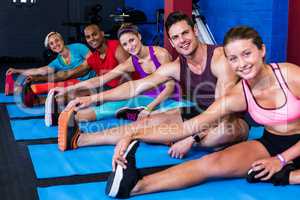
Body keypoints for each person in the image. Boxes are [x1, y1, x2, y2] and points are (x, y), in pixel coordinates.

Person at [106, 25, 300, 198]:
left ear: (262, 50)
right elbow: (190, 127)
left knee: (278, 170)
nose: (241, 64)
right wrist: (132, 134)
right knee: (210, 163)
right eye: (233, 59)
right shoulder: (238, 94)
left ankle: (290, 175)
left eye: (247, 54)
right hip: (272, 142)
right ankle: (134, 186)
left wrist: (281, 160)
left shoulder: (290, 75)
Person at [58, 11, 248, 153]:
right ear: (172, 42)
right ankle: (81, 139)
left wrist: (192, 138)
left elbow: (224, 110)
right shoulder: (175, 66)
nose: (182, 40)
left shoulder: (219, 58)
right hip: (197, 113)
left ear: (195, 31)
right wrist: (92, 99)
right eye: (175, 37)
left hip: (231, 120)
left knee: (223, 131)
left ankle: (177, 137)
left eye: (185, 33)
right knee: (141, 124)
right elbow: (133, 87)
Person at [58, 23, 190, 150]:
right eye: (125, 44)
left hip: (170, 101)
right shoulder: (131, 62)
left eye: (131, 40)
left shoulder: (160, 54)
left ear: (139, 36)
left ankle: (164, 135)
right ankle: (70, 119)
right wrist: (70, 88)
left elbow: (170, 87)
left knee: (142, 122)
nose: (130, 47)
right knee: (112, 105)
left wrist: (149, 109)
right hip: (146, 100)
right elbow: (100, 80)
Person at [5, 31, 96, 106]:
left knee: (65, 90)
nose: (55, 44)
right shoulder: (57, 62)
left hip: (94, 82)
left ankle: (39, 100)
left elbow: (94, 63)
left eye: (57, 40)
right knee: (62, 85)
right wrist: (16, 70)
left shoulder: (78, 47)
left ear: (62, 40)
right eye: (51, 44)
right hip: (78, 84)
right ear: (50, 48)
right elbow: (39, 71)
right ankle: (35, 98)